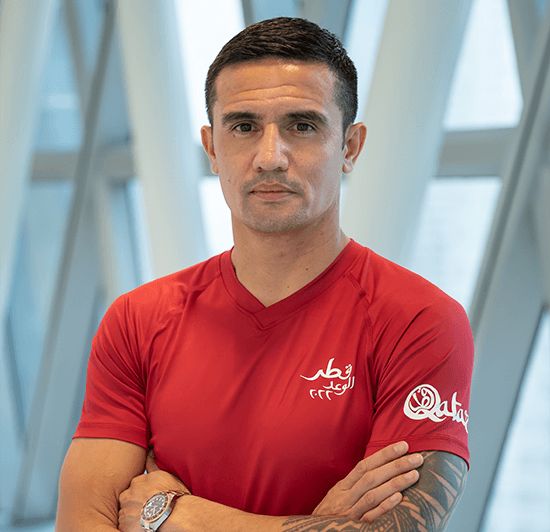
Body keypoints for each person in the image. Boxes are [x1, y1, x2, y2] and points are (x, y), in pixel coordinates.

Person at [56, 17, 473, 531]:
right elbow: (83, 522)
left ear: (349, 147)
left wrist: (183, 518)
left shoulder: (419, 319)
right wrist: (317, 524)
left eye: (302, 126)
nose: (270, 157)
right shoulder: (138, 321)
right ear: (212, 147)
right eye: (244, 126)